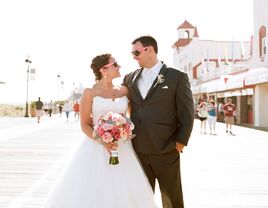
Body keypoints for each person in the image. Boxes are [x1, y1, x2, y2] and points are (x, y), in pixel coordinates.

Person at [44, 53, 157, 208]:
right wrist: (102, 141)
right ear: (104, 70)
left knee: (124, 187)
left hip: (123, 147)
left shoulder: (125, 91)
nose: (119, 67)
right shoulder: (89, 93)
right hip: (96, 146)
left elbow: (133, 116)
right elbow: (84, 125)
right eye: (115, 64)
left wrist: (124, 129)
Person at [123, 35, 194, 208]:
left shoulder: (176, 76)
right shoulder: (129, 78)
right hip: (137, 149)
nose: (134, 56)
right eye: (132, 53)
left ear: (149, 50)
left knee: (171, 197)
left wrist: (180, 143)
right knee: (141, 198)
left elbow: (187, 113)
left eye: (136, 52)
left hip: (166, 149)